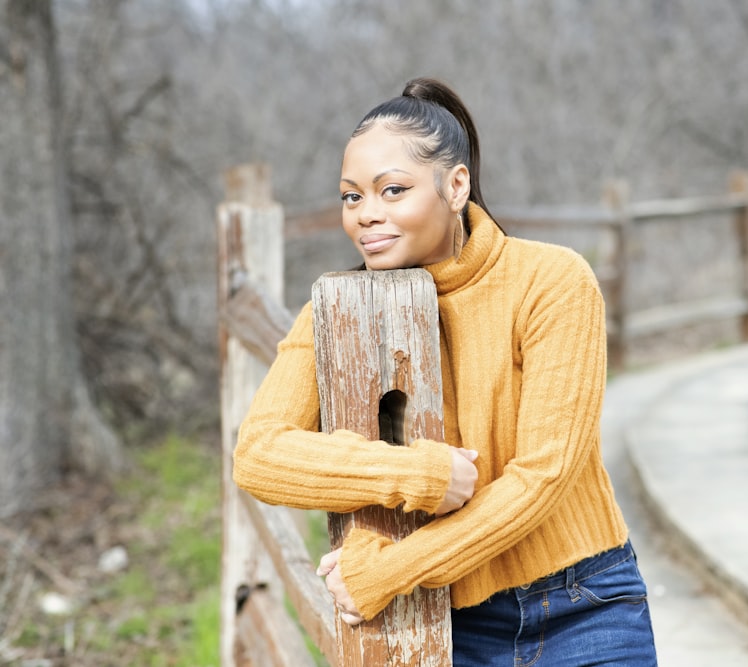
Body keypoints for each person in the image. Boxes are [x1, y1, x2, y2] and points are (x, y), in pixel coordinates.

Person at [233, 77, 658, 666]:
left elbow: (544, 475)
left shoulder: (551, 280)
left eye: (393, 190)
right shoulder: (335, 309)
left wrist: (393, 569)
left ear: (455, 185)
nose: (367, 215)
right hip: (449, 627)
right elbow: (258, 454)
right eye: (352, 197)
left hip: (583, 606)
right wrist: (420, 473)